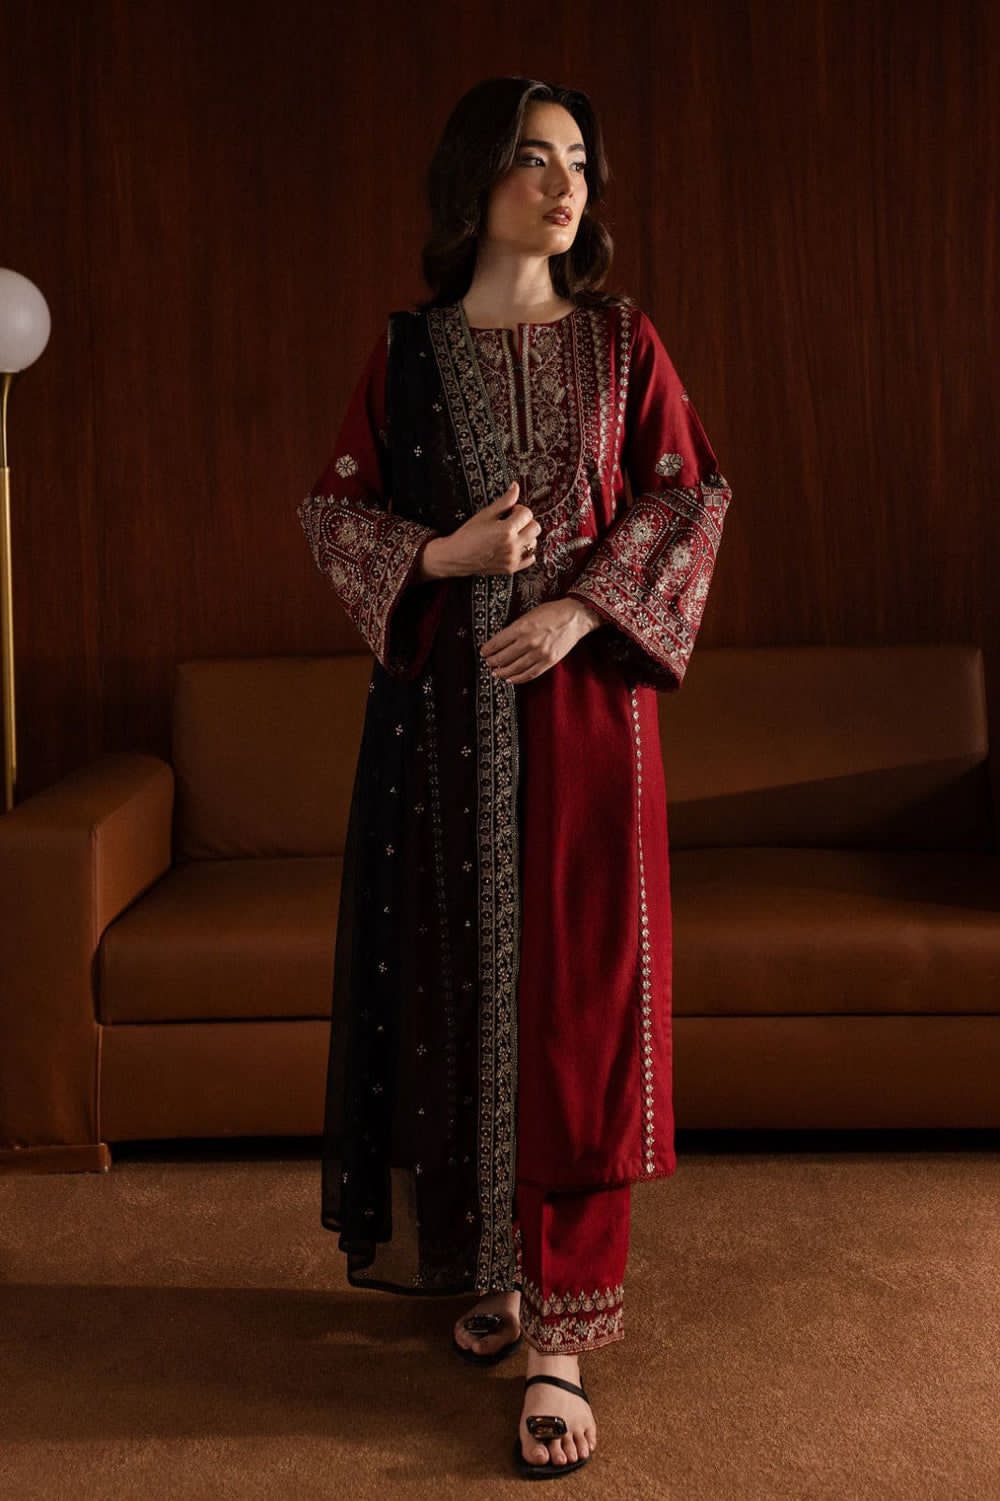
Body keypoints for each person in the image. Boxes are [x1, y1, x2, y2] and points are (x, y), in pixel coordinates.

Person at [296, 75, 733, 1479]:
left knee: (580, 1010)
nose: (566, 186)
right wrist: (449, 556)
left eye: (581, 164)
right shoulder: (408, 353)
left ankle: (563, 1338)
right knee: (457, 984)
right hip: (438, 733)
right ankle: (494, 1265)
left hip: (591, 724)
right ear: (474, 178)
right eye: (537, 159)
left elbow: (689, 494)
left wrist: (581, 611)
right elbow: (337, 512)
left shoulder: (620, 342)